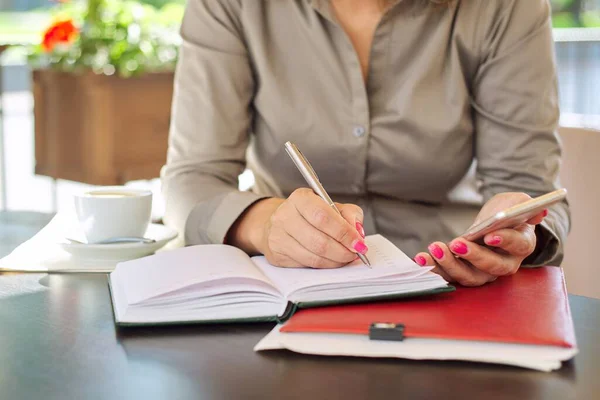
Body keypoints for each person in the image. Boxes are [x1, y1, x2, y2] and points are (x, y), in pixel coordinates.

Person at [162, 0, 570, 287]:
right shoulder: (229, 5)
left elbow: (527, 186)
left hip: (447, 284)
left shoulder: (509, 7)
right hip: (285, 287)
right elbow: (193, 178)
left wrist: (516, 229)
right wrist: (264, 224)